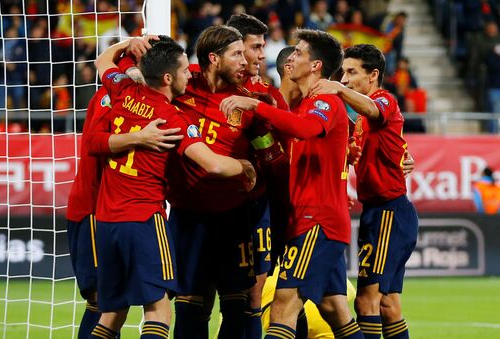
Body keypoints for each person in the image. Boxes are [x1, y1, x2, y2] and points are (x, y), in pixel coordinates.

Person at [87, 35, 256, 339]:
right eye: (182, 71)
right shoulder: (171, 117)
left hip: (106, 222)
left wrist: (130, 43)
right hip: (143, 220)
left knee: (111, 314)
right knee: (159, 311)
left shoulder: (123, 89)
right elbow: (213, 164)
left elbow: (102, 61)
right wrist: (244, 166)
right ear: (167, 78)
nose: (188, 76)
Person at [220, 29, 364, 339]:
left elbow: (308, 128)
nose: (291, 58)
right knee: (334, 309)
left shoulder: (325, 100)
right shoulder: (305, 105)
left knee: (284, 305)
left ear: (315, 66)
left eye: (298, 53)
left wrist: (255, 106)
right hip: (313, 220)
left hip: (318, 222)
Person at [66, 57, 184, 338]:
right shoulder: (112, 97)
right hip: (96, 209)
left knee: (113, 309)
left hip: (110, 211)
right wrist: (140, 137)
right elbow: (94, 142)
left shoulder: (127, 96)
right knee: (106, 304)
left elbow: (103, 60)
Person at [308, 44, 419, 339]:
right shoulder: (361, 121)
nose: (344, 79)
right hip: (381, 211)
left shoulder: (383, 101)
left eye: (351, 72)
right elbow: (396, 146)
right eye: (343, 72)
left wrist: (336, 90)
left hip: (388, 213)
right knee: (388, 305)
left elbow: (373, 110)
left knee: (366, 300)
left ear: (373, 75)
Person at [226, 13, 290, 339]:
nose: (262, 54)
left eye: (263, 46)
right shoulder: (203, 85)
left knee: (255, 292)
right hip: (217, 206)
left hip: (259, 204)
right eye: (256, 46)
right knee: (212, 296)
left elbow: (289, 141)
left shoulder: (267, 92)